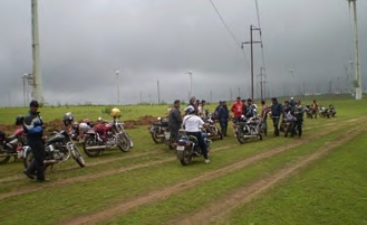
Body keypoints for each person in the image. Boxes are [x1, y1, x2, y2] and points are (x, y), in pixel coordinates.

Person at [23, 100, 48, 182]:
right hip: (32, 139)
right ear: (30, 107)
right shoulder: (28, 117)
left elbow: (41, 125)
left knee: (40, 157)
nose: (35, 108)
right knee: (39, 159)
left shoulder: (38, 116)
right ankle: (40, 177)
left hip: (39, 138)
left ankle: (29, 170)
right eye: (33, 106)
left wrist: (43, 134)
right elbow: (31, 130)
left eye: (36, 106)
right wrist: (41, 128)